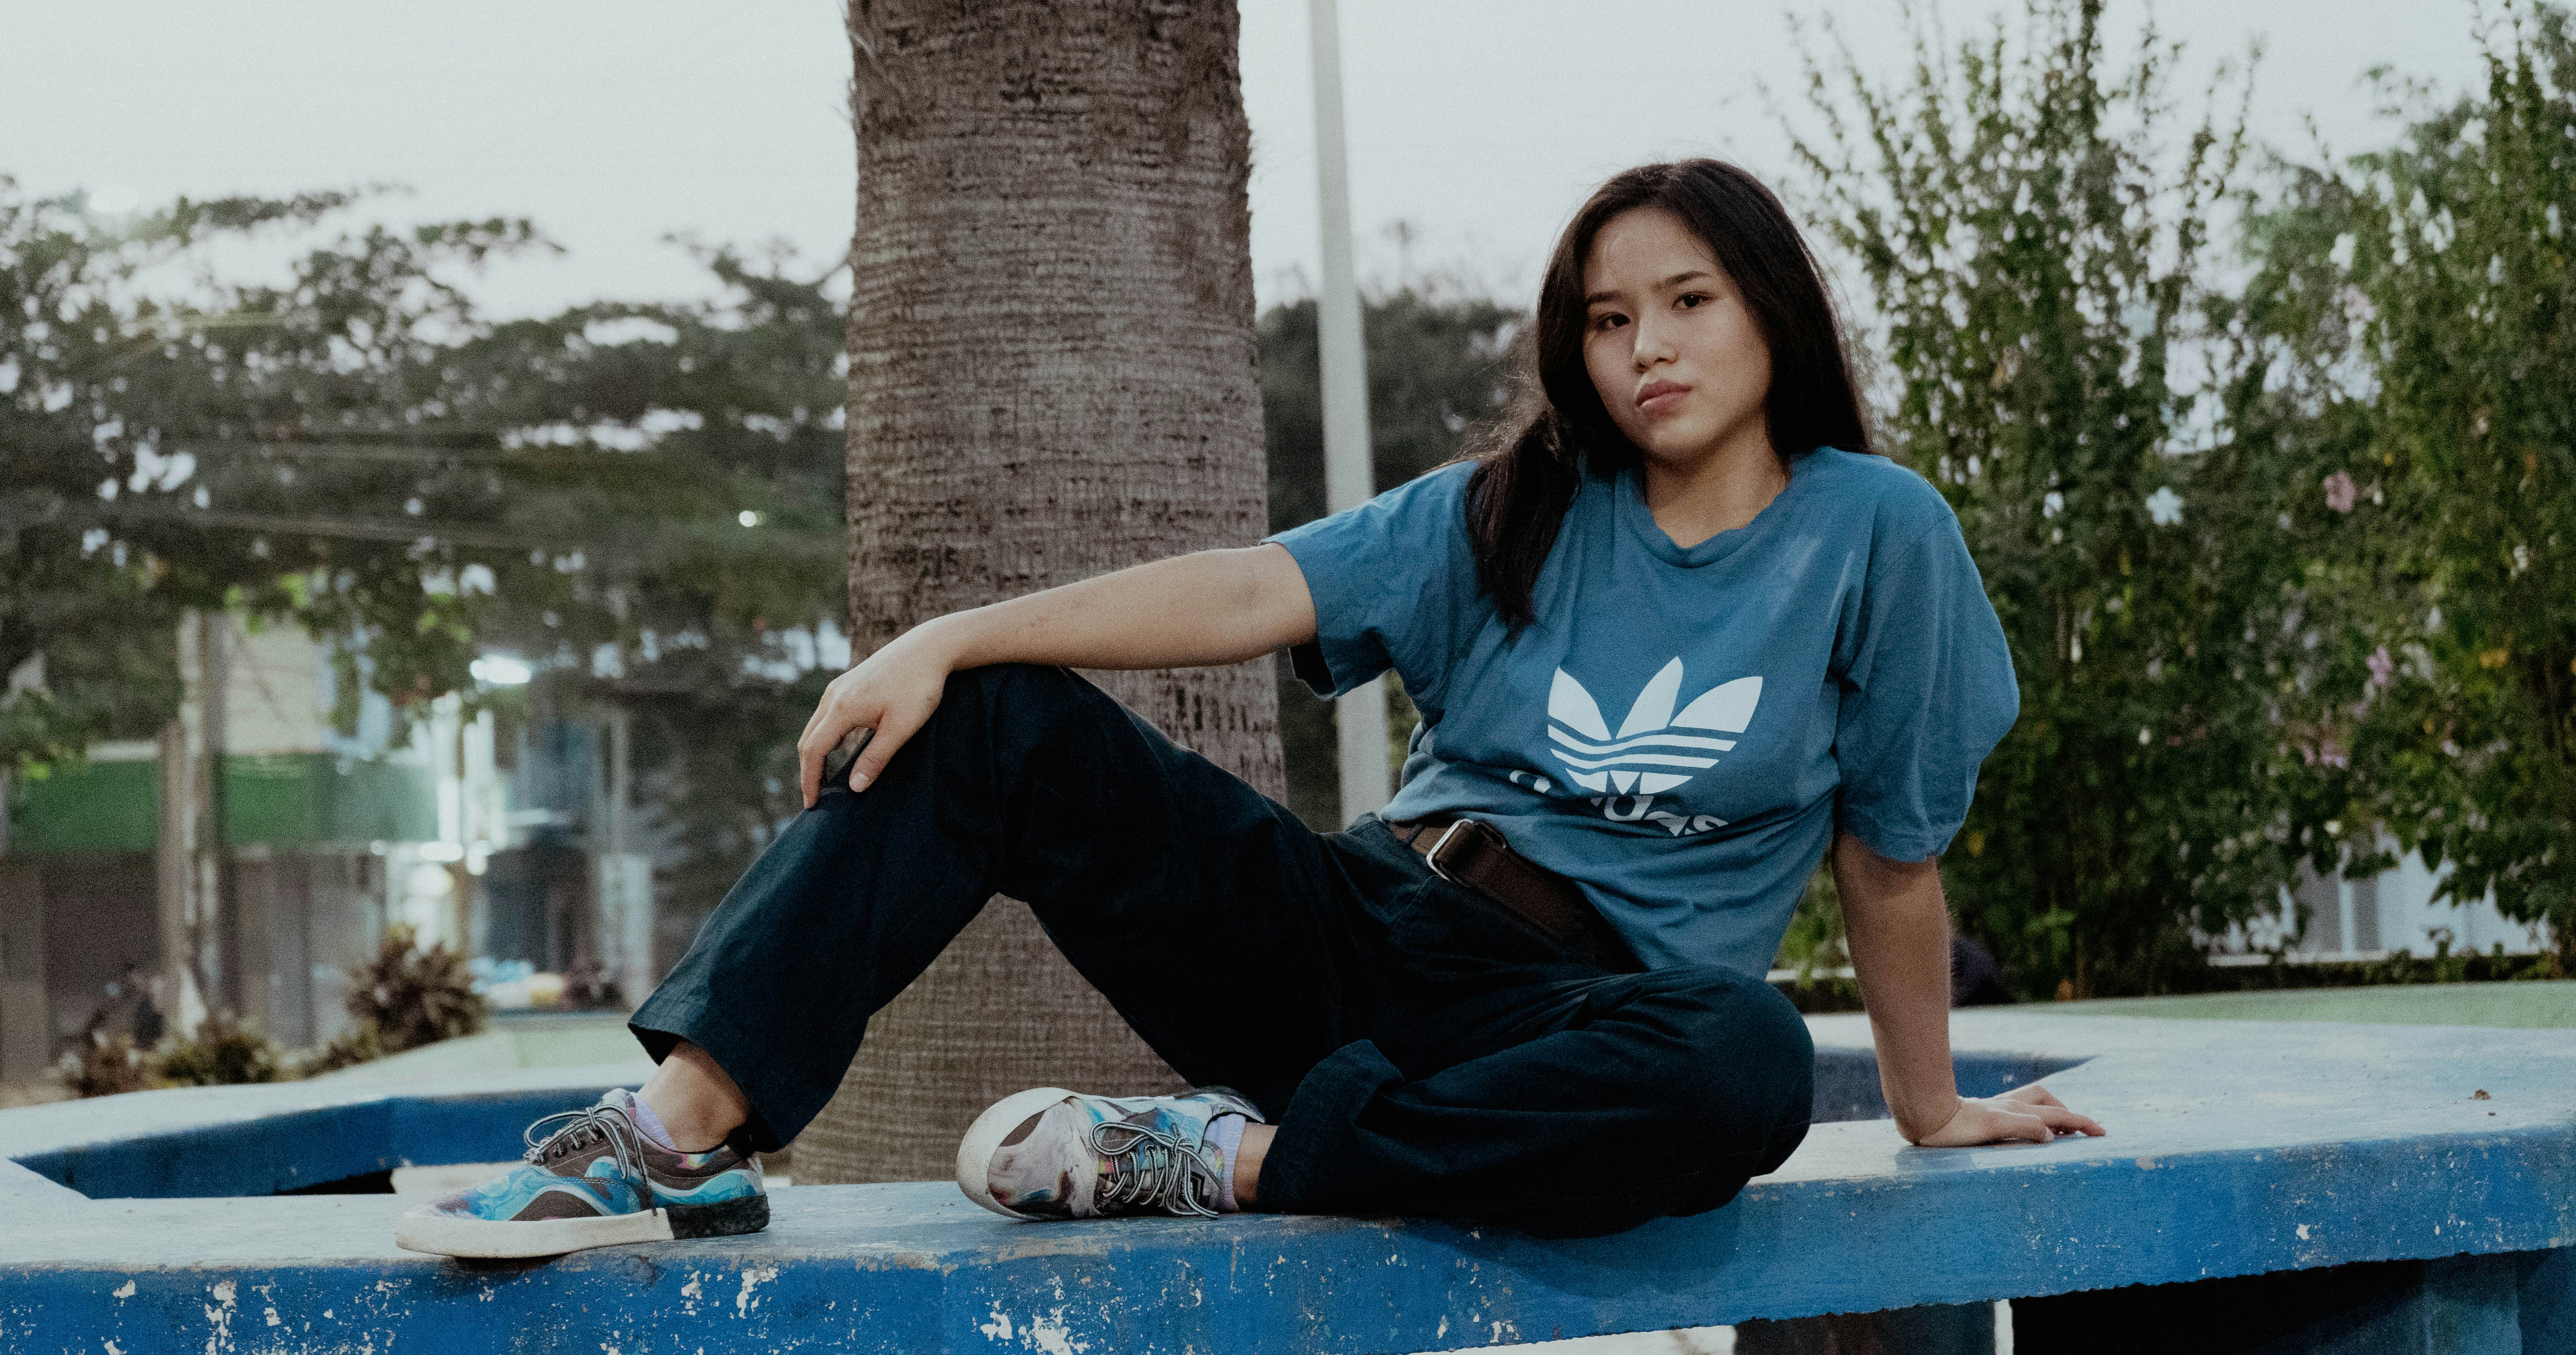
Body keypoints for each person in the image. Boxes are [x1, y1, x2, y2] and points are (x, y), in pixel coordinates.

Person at [395, 158, 2103, 1261]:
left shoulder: (1879, 537)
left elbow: (1895, 849)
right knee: (996, 721)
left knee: (1748, 1068)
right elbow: (1239, 588)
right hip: (1360, 933)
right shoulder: (1502, 509)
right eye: (1605, 318)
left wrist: (1934, 1106)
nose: (1645, 346)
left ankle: (1225, 1161)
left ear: (1768, 314)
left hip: (1594, 1023)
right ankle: (676, 1139)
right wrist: (957, 633)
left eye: (1688, 302)